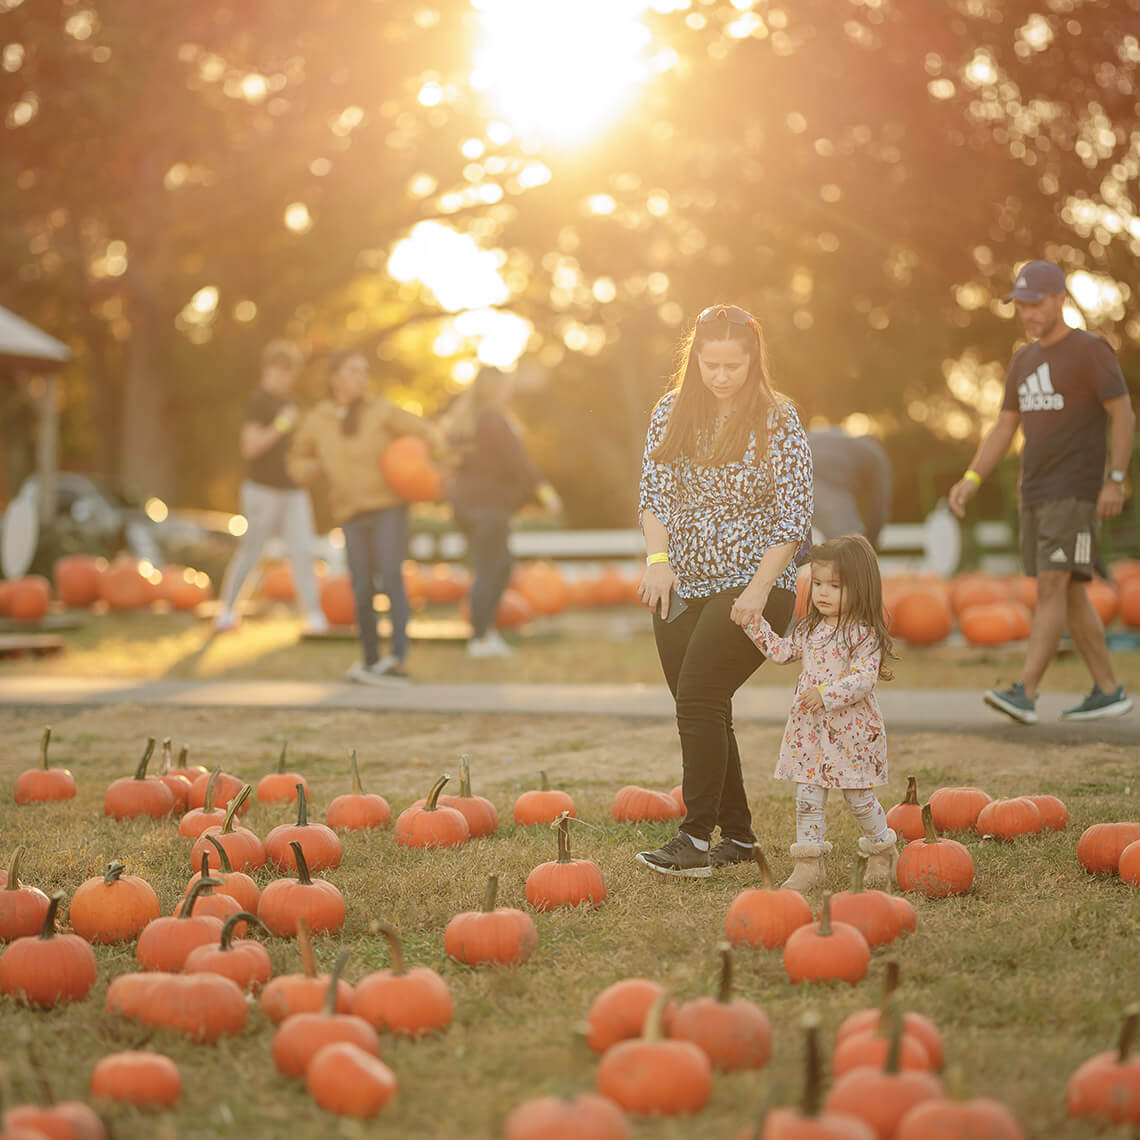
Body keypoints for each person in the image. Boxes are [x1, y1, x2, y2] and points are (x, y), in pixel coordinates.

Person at [634, 303, 814, 878]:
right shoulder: (671, 412)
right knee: (704, 705)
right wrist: (658, 560)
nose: (719, 376)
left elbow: (794, 520)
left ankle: (694, 839)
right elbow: (654, 496)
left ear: (752, 361)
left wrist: (760, 590)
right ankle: (737, 836)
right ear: (696, 360)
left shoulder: (778, 421)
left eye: (732, 365)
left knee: (699, 699)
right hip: (681, 584)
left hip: (755, 586)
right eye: (710, 364)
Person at [949, 259, 1136, 724]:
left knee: (1054, 583)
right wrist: (971, 479)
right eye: (1021, 305)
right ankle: (1109, 691)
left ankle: (1025, 692)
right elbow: (1004, 427)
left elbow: (1124, 414)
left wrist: (1115, 479)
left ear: (1059, 300)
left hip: (1074, 492)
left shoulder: (1090, 351)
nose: (1028, 313)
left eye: (1036, 303)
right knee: (1069, 591)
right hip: (1033, 493)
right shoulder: (1023, 360)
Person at [744, 535, 898, 889]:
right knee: (807, 798)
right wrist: (755, 624)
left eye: (834, 585)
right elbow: (783, 652)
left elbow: (863, 679)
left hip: (850, 732)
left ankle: (882, 850)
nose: (822, 593)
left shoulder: (863, 635)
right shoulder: (811, 628)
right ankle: (809, 866)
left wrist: (826, 694)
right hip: (810, 732)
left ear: (861, 588)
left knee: (859, 798)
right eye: (817, 583)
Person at [287, 349, 442, 684]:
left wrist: (422, 466)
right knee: (360, 585)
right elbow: (297, 459)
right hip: (351, 512)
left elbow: (426, 432)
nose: (361, 378)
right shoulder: (319, 420)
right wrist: (311, 468)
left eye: (364, 371)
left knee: (390, 575)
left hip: (388, 507)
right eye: (354, 371)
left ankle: (397, 658)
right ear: (335, 378)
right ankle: (371, 660)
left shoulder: (381, 411)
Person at [441, 367, 562, 658]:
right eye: (506, 386)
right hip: (487, 507)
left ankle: (485, 633)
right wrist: (546, 493)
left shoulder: (467, 420)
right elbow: (517, 461)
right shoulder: (494, 419)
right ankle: (481, 638)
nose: (510, 390)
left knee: (497, 566)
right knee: (491, 569)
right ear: (496, 389)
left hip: (467, 505)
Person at [214, 340, 327, 635]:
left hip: (293, 490)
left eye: (289, 373)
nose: (284, 379)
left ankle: (314, 615)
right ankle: (226, 611)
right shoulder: (259, 403)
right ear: (267, 370)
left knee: (303, 551)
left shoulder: (292, 404)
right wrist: (280, 425)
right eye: (279, 372)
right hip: (262, 489)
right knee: (252, 551)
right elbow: (250, 448)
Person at [808, 427, 893, 548]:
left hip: (790, 478)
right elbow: (879, 503)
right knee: (851, 546)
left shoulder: (843, 441)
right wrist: (871, 545)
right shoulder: (877, 454)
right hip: (825, 484)